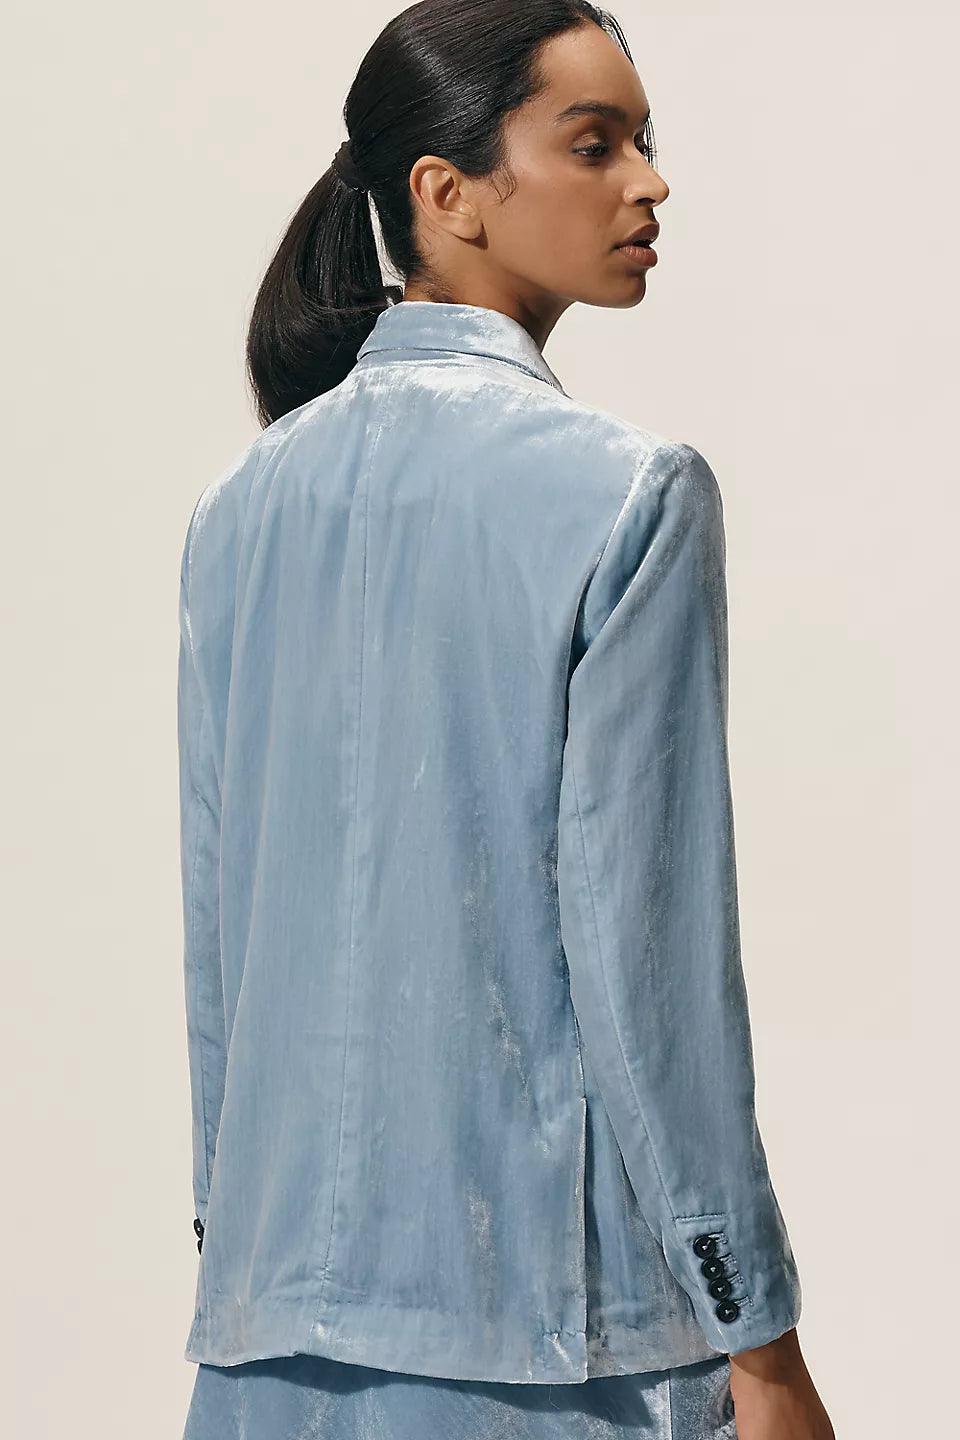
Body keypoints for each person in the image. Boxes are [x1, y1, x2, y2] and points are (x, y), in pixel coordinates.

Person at [178, 2, 834, 1437]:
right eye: (595, 145)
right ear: (447, 191)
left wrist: (238, 1254)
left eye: (645, 142)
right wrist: (760, 1340)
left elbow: (224, 941)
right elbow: (651, 963)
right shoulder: (627, 494)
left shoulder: (237, 512)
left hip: (262, 1357)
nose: (650, 183)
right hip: (549, 1354)